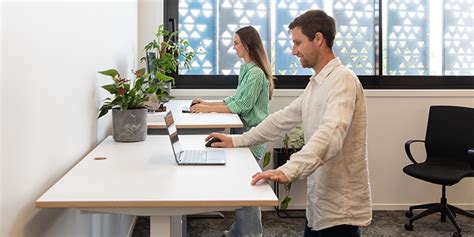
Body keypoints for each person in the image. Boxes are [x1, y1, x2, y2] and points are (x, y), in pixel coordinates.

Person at [206, 10, 372, 237]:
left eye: (297, 43)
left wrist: (288, 169)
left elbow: (330, 135)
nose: (293, 51)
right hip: (319, 204)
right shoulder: (317, 83)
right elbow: (281, 120)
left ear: (319, 39)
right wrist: (236, 140)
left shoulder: (343, 80)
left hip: (339, 209)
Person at [191, 26, 274, 237]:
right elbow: (235, 100)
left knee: (248, 187)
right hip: (242, 133)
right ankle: (240, 231)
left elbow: (242, 106)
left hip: (252, 136)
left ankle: (252, 234)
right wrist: (207, 103)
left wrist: (207, 109)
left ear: (247, 45)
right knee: (242, 184)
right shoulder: (246, 69)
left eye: (236, 42)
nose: (233, 46)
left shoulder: (256, 74)